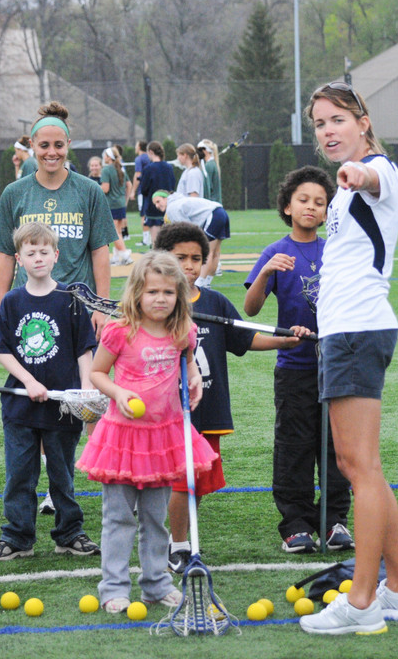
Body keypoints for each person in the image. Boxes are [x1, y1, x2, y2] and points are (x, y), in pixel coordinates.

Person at [294, 83, 398, 635]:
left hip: (357, 331)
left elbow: (374, 178)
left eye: (337, 118)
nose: (328, 130)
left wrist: (355, 174)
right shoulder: (345, 191)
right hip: (346, 332)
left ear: (363, 121)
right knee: (361, 468)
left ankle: (363, 602)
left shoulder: (377, 172)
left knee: (359, 468)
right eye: (320, 122)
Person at [152, 222, 305, 574]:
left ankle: (180, 533)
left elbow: (244, 339)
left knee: (198, 483)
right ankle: (176, 545)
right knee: (183, 480)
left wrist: (285, 341)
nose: (189, 266)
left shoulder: (214, 302)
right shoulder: (156, 304)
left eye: (196, 259)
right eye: (180, 258)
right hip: (170, 411)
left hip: (209, 408)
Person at [76, 250, 218, 613]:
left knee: (156, 518)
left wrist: (195, 376)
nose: (160, 299)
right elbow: (96, 374)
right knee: (119, 518)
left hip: (163, 438)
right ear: (137, 292)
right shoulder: (120, 331)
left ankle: (156, 583)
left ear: (179, 295)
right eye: (153, 291)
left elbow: (187, 363)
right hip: (122, 438)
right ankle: (114, 587)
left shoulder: (181, 330)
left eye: (168, 293)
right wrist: (119, 393)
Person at [243, 166, 352, 553]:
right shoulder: (276, 252)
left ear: (327, 212)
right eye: (303, 200)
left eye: (320, 202)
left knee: (338, 446)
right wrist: (265, 273)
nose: (311, 207)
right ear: (287, 206)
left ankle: (335, 520)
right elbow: (251, 309)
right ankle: (296, 524)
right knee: (295, 447)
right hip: (294, 370)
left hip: (335, 366)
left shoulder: (335, 250)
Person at [0, 222, 101, 561]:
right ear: (19, 259)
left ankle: (69, 533)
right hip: (20, 407)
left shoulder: (71, 299)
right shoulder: (12, 301)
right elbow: (2, 349)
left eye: (44, 252)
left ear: (56, 256)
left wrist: (85, 388)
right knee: (20, 473)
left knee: (62, 474)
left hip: (63, 406)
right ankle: (18, 537)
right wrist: (29, 382)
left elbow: (84, 349)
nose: (38, 258)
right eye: (31, 253)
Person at [0, 101, 116, 338]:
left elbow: (100, 251)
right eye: (44, 145)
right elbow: (6, 255)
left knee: (82, 376)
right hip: (27, 310)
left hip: (80, 310)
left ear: (68, 145)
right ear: (32, 145)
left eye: (59, 145)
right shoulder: (14, 193)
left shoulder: (89, 191)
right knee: (31, 376)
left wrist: (102, 306)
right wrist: (2, 307)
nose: (52, 152)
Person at [151, 190, 229, 287]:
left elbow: (186, 230)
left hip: (213, 215)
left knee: (208, 252)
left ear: (166, 198)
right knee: (215, 252)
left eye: (158, 201)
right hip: (221, 212)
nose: (157, 206)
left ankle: (200, 283)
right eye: (155, 204)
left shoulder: (172, 208)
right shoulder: (178, 201)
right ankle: (207, 282)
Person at [138, 141, 175, 244]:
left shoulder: (148, 169)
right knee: (168, 242)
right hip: (168, 207)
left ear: (150, 152)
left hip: (153, 208)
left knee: (156, 242)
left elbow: (144, 189)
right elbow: (172, 186)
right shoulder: (169, 167)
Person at [101, 146, 132, 266]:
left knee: (114, 233)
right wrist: (125, 199)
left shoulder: (107, 169)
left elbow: (105, 188)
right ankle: (116, 257)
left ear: (109, 157)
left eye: (105, 155)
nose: (104, 157)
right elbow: (129, 185)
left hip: (112, 204)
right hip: (120, 203)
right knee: (118, 231)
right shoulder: (121, 168)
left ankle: (125, 255)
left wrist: (92, 188)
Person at [132, 140, 150, 246]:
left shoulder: (139, 159)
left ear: (139, 147)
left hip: (142, 190)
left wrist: (133, 191)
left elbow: (137, 175)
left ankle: (146, 240)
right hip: (151, 190)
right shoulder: (149, 157)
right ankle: (151, 239)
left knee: (143, 214)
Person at [197, 139, 221, 203]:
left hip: (211, 203)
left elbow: (207, 187)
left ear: (205, 151)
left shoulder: (209, 166)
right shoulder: (210, 164)